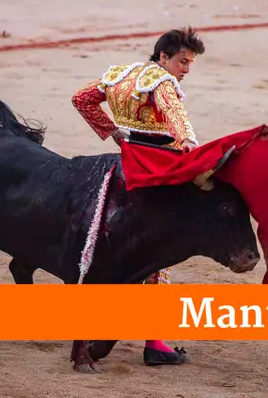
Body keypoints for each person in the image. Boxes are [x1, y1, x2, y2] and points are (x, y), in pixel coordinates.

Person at [70, 26, 205, 366]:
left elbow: (81, 99)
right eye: (182, 62)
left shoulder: (124, 75)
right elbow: (173, 114)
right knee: (161, 253)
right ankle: (155, 344)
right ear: (163, 57)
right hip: (158, 173)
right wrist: (188, 143)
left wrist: (114, 132)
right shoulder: (162, 82)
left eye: (190, 64)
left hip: (123, 170)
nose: (185, 70)